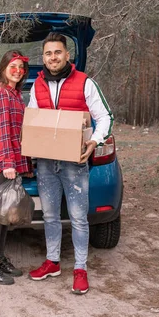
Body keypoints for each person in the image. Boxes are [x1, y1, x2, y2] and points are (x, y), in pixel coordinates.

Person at [27, 32, 113, 294]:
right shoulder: (37, 85)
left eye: (57, 52)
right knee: (50, 215)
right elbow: (32, 119)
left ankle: (80, 268)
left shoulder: (85, 83)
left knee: (78, 218)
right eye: (48, 53)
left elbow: (106, 117)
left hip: (74, 162)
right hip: (45, 162)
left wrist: (94, 141)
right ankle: (53, 262)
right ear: (43, 57)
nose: (53, 57)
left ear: (67, 55)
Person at [0, 50, 33, 285]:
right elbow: (1, 134)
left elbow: (18, 133)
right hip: (1, 166)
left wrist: (24, 164)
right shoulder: (1, 95)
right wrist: (9, 164)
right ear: (3, 68)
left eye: (21, 67)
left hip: (10, 164)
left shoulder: (15, 95)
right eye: (14, 66)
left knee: (3, 216)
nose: (18, 71)